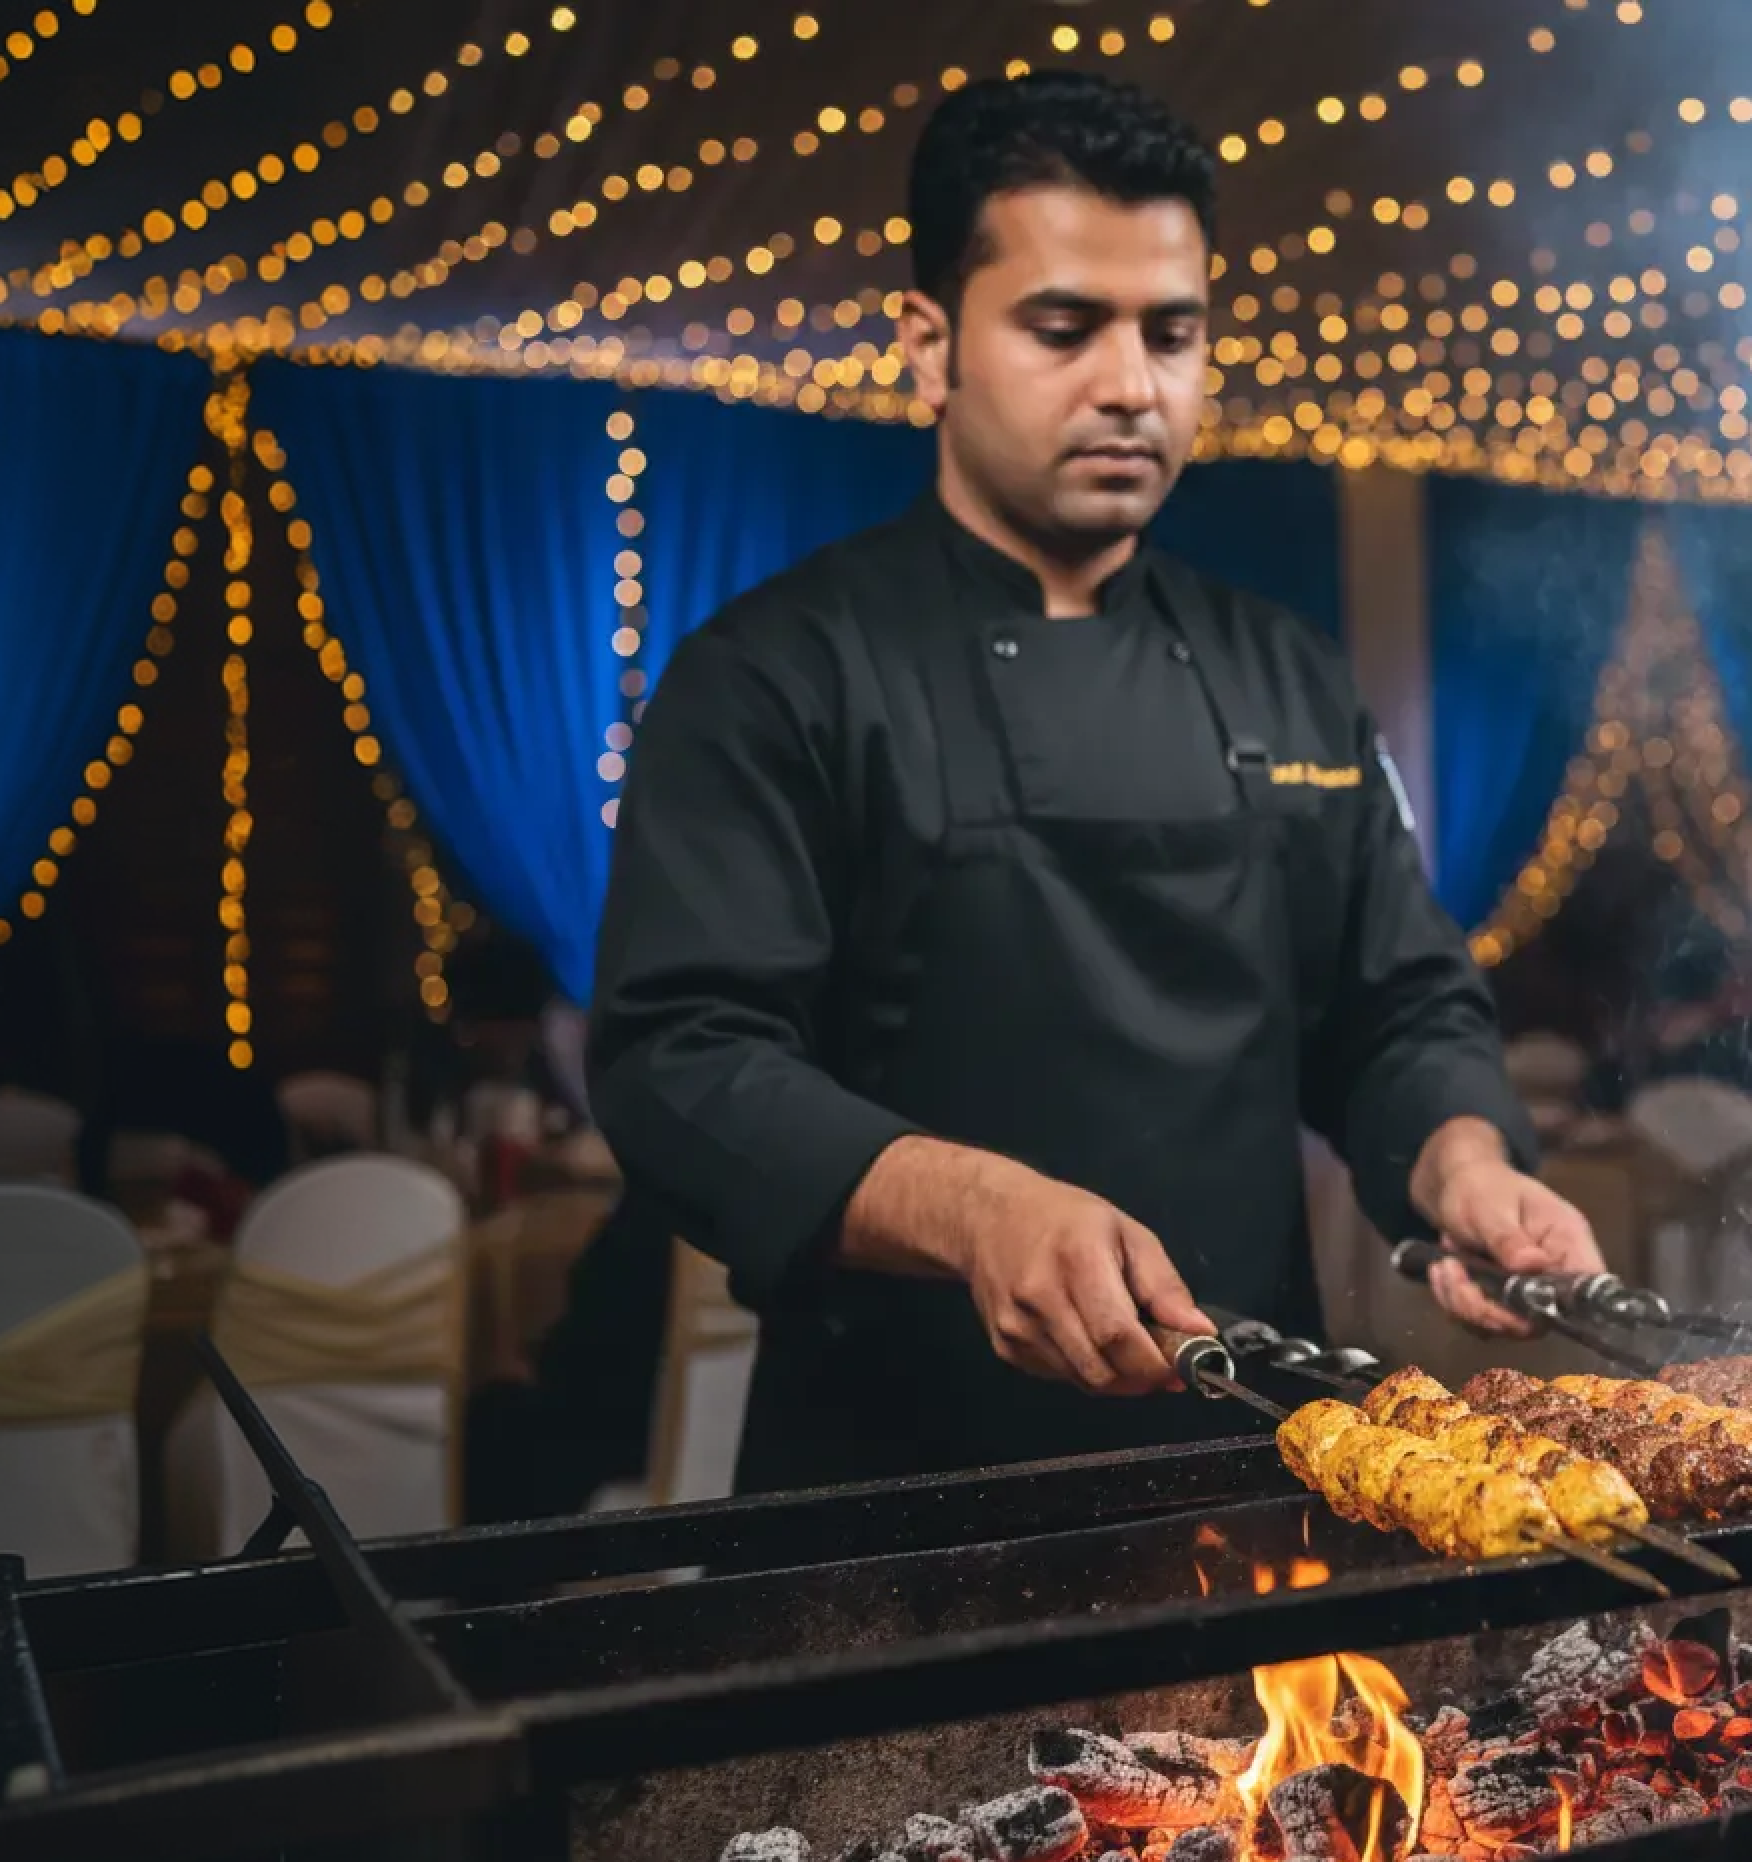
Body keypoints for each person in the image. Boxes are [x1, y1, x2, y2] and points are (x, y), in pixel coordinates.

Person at [587, 74, 1601, 1490]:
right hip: (885, 1489)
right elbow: (680, 1064)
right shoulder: (777, 673)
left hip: (1252, 1460)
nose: (1131, 383)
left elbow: (1395, 1001)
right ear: (930, 344)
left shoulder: (1281, 670)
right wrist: (974, 1205)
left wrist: (1459, 1165)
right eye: (1064, 328)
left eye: (1170, 334)